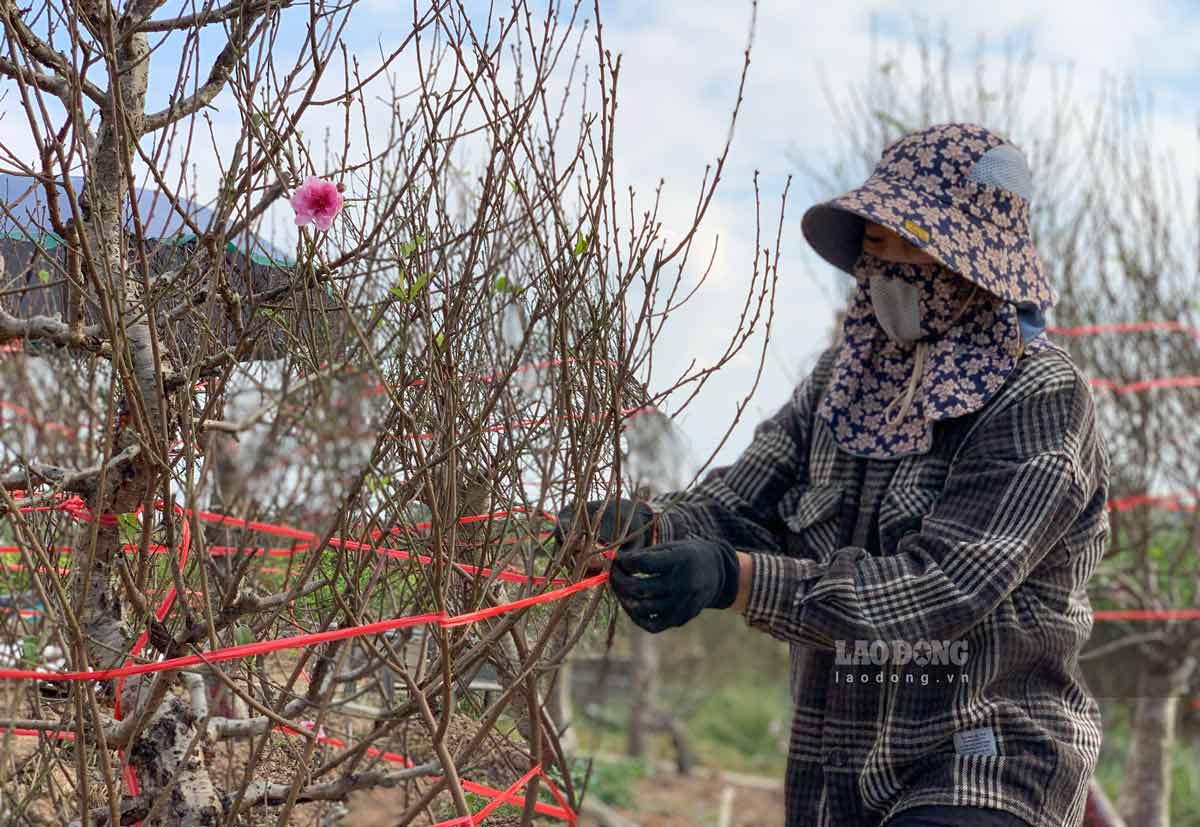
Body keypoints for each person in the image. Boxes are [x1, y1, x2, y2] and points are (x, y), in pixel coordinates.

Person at [556, 123, 1109, 827]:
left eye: (912, 248)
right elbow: (743, 497)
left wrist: (737, 578)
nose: (885, 274)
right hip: (838, 773)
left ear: (975, 265)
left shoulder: (1038, 397)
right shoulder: (842, 384)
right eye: (876, 248)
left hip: (984, 760)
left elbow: (943, 586)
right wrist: (651, 525)